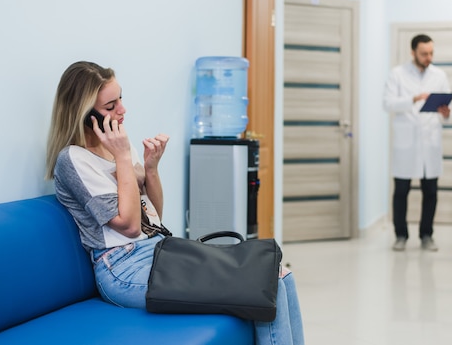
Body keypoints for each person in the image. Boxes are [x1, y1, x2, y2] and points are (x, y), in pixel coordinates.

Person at [45, 61, 305, 345]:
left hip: (158, 250)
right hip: (121, 269)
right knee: (265, 283)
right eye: (110, 106)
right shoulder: (73, 159)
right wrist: (122, 158)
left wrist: (151, 169)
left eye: (121, 99)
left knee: (279, 274)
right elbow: (130, 228)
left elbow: (153, 217)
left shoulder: (119, 145)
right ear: (86, 116)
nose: (122, 110)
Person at [383, 34, 451, 252]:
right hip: (407, 141)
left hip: (429, 140)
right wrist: (413, 98)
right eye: (424, 53)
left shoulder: (439, 75)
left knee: (430, 191)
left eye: (431, 53)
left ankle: (426, 235)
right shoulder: (397, 74)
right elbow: (388, 103)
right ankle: (401, 235)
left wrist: (445, 112)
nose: (428, 57)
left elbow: (445, 110)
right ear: (413, 52)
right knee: (401, 191)